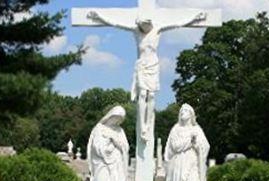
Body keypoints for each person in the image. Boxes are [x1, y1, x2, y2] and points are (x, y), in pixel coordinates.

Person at [87, 11, 206, 141]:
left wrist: (194, 19)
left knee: (152, 95)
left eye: (147, 25)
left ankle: (148, 124)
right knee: (143, 94)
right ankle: (143, 126)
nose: (145, 28)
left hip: (153, 65)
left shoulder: (157, 29)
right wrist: (99, 17)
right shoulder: (136, 32)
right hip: (142, 66)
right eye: (143, 25)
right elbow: (116, 23)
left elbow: (178, 24)